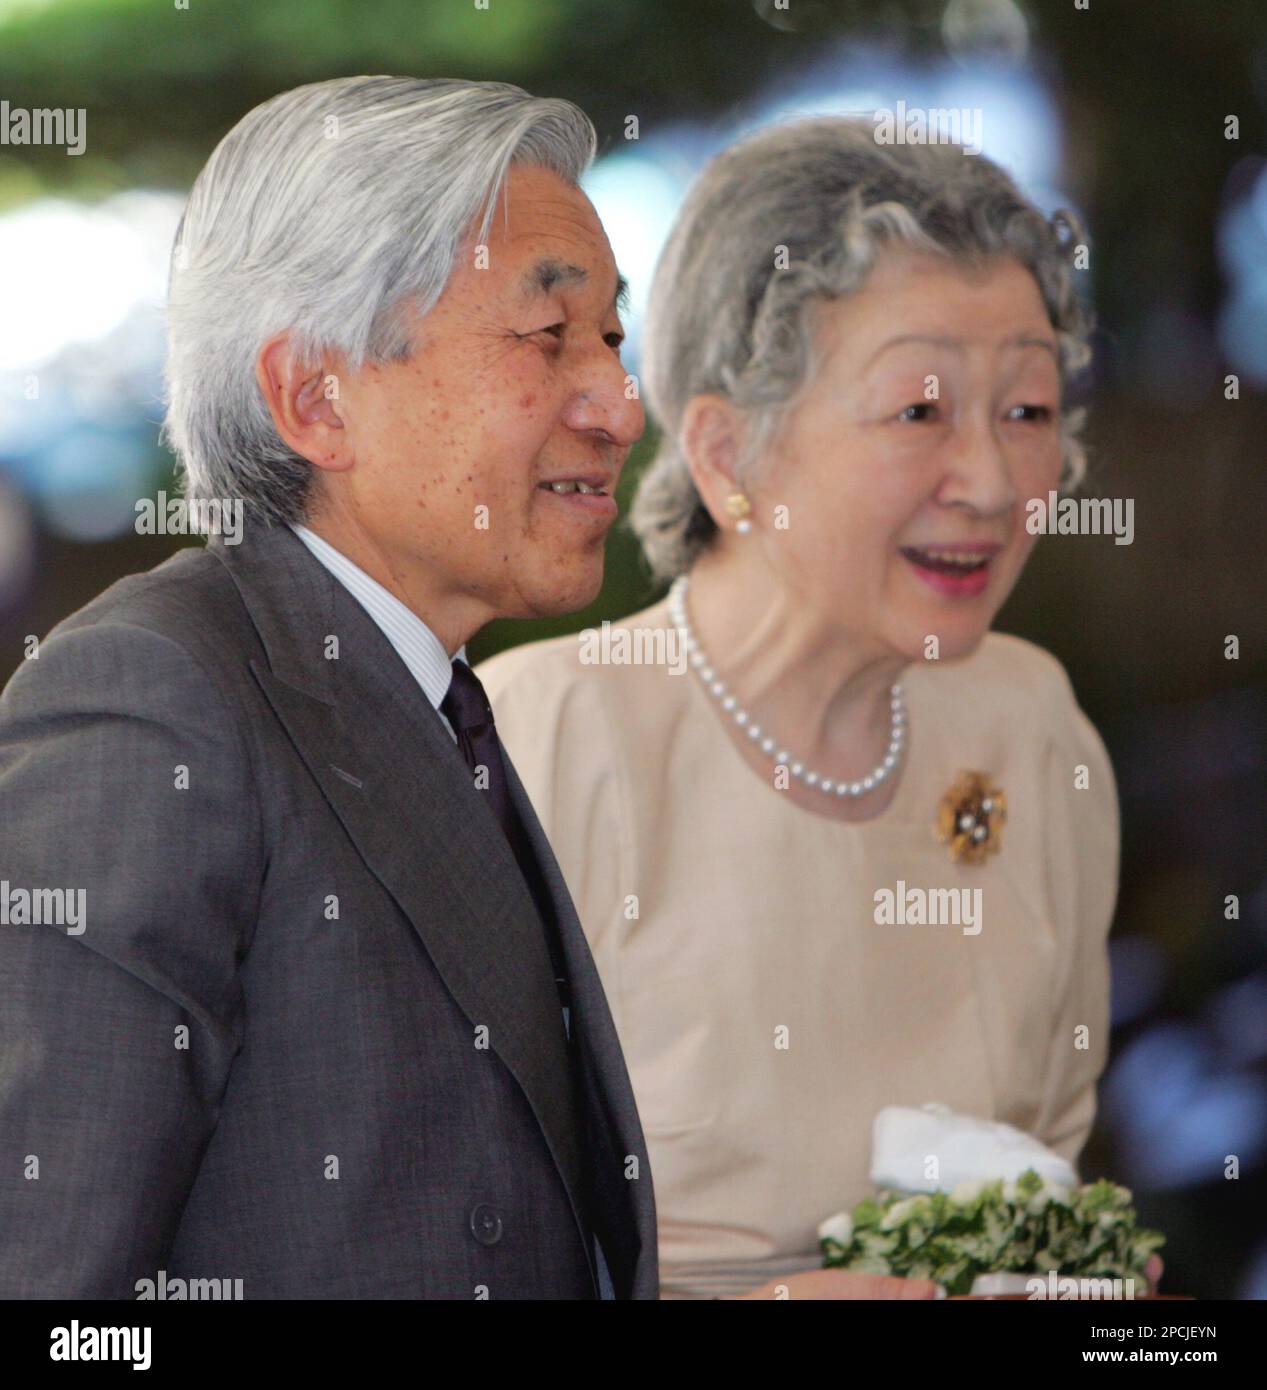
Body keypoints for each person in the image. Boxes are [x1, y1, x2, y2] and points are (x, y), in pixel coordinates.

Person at [0, 75, 658, 1299]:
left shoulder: (425, 692)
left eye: (613, 339)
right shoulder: (154, 699)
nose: (618, 405)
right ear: (315, 396)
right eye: (547, 335)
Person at [479, 117, 1121, 1299]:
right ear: (729, 452)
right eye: (920, 411)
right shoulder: (536, 747)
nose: (988, 481)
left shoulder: (1029, 729)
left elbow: (1057, 1208)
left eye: (1026, 410)